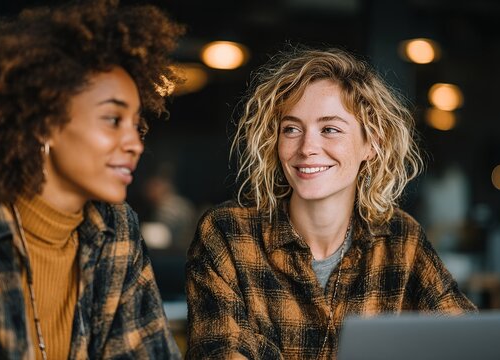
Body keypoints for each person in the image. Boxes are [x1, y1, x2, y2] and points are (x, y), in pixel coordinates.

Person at [185, 47, 477, 359]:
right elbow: (218, 351)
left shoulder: (400, 237)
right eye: (292, 129)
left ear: (372, 143)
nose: (307, 147)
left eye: (330, 129)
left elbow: (469, 343)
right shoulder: (229, 233)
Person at [0, 1, 184, 358]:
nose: (135, 144)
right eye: (112, 119)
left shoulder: (116, 229)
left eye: (136, 125)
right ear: (45, 122)